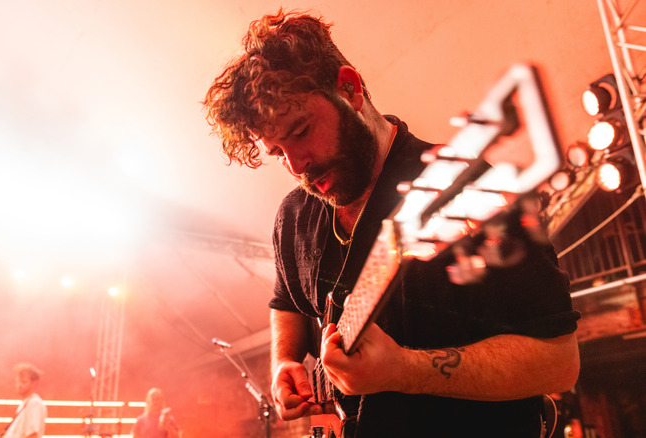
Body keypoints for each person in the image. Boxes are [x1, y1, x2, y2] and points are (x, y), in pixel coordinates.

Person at [203, 9, 581, 438]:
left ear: (349, 88)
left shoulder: (466, 188)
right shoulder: (293, 218)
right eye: (277, 152)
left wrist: (404, 371)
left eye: (302, 130)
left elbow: (558, 362)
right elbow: (287, 302)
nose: (296, 165)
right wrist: (284, 362)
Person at [2, 363, 47, 438]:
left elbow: (32, 435)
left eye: (23, 381)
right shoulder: (25, 403)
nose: (19, 385)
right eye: (17, 381)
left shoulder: (34, 403)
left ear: (34, 383)